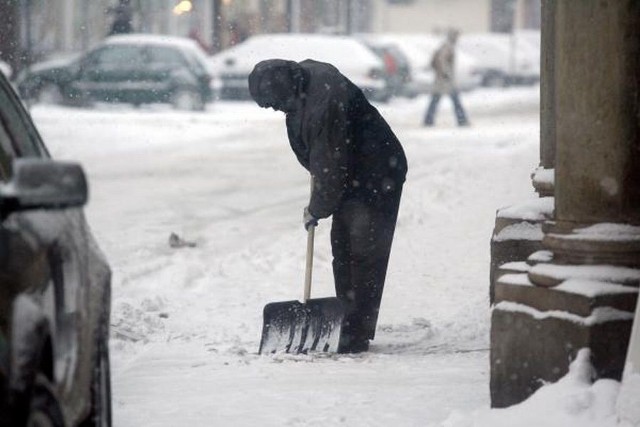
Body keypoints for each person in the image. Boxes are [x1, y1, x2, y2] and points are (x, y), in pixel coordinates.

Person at [248, 59, 408, 353]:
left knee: (363, 251)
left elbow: (329, 162)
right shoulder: (302, 88)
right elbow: (321, 158)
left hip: (377, 172)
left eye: (273, 103)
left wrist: (317, 207)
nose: (274, 109)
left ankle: (356, 331)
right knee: (343, 249)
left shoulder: (324, 101)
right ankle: (346, 321)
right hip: (353, 174)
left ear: (285, 90)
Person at [424, 29, 470, 126]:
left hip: (442, 80)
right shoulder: (448, 47)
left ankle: (428, 120)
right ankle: (462, 120)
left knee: (436, 100)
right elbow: (442, 60)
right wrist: (446, 73)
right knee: (454, 100)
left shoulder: (446, 46)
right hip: (445, 80)